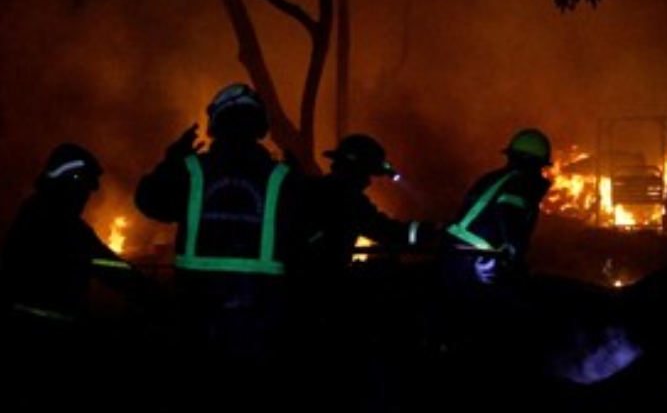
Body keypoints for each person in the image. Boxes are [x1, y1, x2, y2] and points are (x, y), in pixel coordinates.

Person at [133, 82, 296, 409]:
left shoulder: (191, 170)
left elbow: (148, 201)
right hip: (259, 317)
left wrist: (171, 160)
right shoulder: (282, 177)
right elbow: (305, 233)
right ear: (259, 125)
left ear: (216, 123)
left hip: (196, 313)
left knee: (197, 397)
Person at [0, 142, 163, 412]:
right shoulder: (62, 224)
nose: (86, 197)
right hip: (50, 345)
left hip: (20, 336)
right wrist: (154, 294)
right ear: (71, 181)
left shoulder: (32, 210)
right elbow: (107, 266)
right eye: (85, 188)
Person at [285, 133, 436, 411]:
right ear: (356, 170)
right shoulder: (346, 198)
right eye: (367, 174)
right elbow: (385, 231)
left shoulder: (314, 188)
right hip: (320, 291)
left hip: (293, 287)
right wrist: (429, 232)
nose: (368, 182)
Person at [433, 127, 554, 409]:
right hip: (474, 262)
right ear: (538, 164)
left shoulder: (494, 178)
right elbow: (511, 222)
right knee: (511, 322)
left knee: (464, 326)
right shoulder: (521, 183)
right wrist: (512, 259)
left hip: (456, 258)